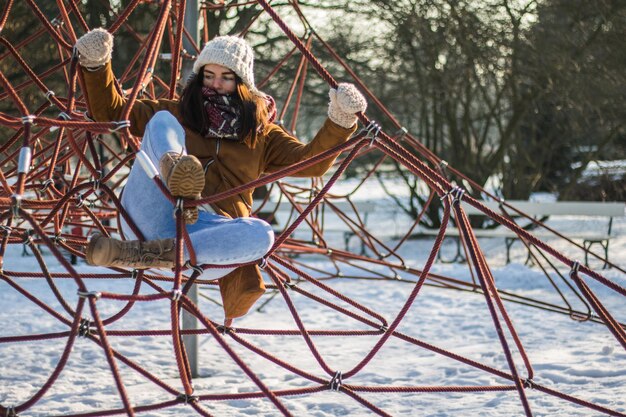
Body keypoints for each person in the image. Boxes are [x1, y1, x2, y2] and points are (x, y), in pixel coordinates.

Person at [75, 29, 367, 321]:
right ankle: (177, 172)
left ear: (243, 83)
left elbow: (309, 164)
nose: (215, 84)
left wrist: (339, 121)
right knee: (160, 121)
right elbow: (111, 111)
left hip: (205, 240)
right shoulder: (179, 112)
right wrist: (96, 64)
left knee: (262, 234)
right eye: (208, 75)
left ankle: (152, 253)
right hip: (155, 211)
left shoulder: (261, 136)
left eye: (226, 77)